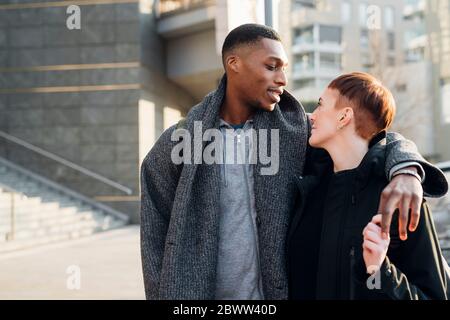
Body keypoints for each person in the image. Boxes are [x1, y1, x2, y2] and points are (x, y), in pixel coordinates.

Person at [140, 24, 448, 300]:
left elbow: (371, 137)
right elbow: (153, 237)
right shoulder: (180, 141)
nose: (283, 79)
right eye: (271, 66)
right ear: (234, 64)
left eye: (284, 68)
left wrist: (406, 169)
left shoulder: (295, 130)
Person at [287, 72, 449, 300]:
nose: (312, 116)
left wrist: (380, 270)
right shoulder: (310, 188)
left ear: (344, 117)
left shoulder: (399, 199)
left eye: (321, 105)